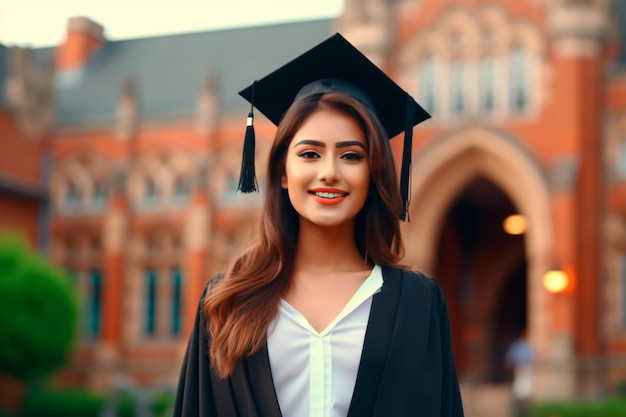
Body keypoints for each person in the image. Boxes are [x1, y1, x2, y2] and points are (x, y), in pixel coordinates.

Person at [174, 33, 464, 417]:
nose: (329, 172)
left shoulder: (418, 303)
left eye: (351, 155)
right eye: (310, 153)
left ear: (373, 173)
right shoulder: (229, 300)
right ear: (281, 171)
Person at [506, 330, 534, 417]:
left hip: (527, 370)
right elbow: (511, 359)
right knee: (518, 392)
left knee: (526, 393)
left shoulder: (530, 346)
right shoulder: (517, 346)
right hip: (519, 369)